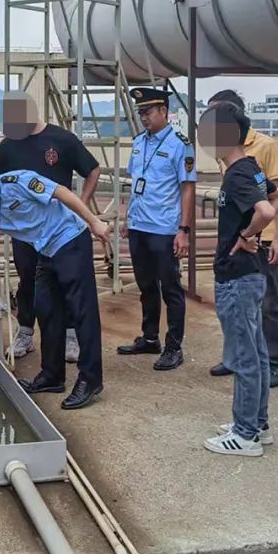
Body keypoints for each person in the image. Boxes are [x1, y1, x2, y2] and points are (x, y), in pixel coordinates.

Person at [0, 159, 111, 409]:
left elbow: (62, 193)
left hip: (70, 240)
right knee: (46, 311)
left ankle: (90, 380)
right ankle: (52, 375)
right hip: (45, 251)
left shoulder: (20, 181)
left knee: (82, 312)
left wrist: (94, 221)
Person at [199, 102, 278, 457]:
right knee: (258, 353)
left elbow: (265, 209)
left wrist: (248, 234)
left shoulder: (237, 174)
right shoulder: (250, 167)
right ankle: (257, 424)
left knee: (244, 357)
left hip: (237, 276)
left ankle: (245, 434)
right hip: (251, 274)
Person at [0, 91, 102, 365]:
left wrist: (80, 205)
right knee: (27, 279)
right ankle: (26, 332)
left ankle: (71, 335)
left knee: (65, 281)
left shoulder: (62, 140)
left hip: (60, 231)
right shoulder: (9, 146)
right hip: (26, 231)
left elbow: (93, 169)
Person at [116, 87, 196, 370]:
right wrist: (128, 218)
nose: (144, 118)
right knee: (146, 285)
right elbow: (135, 185)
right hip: (139, 226)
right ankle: (150, 338)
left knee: (170, 289)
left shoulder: (180, 144)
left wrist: (183, 230)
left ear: (164, 111)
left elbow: (187, 189)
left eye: (148, 112)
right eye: (140, 113)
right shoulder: (139, 142)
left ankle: (174, 347)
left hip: (164, 228)